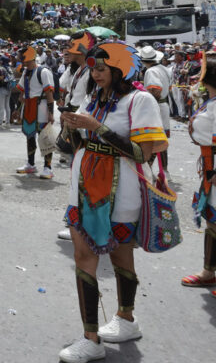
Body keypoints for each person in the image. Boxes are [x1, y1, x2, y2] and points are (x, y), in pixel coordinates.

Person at [58, 42, 167, 363]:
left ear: (120, 69)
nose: (96, 74)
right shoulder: (95, 98)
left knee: (122, 258)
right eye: (93, 69)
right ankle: (91, 337)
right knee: (82, 254)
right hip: (84, 185)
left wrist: (97, 127)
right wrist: (73, 127)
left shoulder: (140, 99)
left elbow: (143, 154)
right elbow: (78, 142)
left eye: (102, 69)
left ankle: (126, 319)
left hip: (123, 191)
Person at [181, 50, 216, 292]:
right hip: (209, 166)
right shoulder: (211, 102)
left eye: (201, 72)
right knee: (213, 222)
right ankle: (209, 271)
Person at [56, 32, 96, 241]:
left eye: (72, 48)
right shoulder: (80, 69)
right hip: (79, 125)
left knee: (82, 177)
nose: (67, 52)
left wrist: (72, 113)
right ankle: (79, 222)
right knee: (78, 174)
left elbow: (85, 101)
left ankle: (81, 224)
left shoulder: (90, 71)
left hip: (86, 128)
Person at [15, 46, 56, 179]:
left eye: (23, 58)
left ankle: (47, 167)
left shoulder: (43, 72)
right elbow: (22, 94)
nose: (22, 61)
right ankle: (31, 164)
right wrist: (17, 109)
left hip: (42, 107)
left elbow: (49, 93)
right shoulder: (25, 72)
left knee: (45, 138)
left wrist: (51, 113)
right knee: (30, 137)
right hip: (28, 108)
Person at [139, 45, 173, 171]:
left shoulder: (151, 71)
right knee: (161, 140)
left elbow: (155, 90)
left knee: (152, 140)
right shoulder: (164, 69)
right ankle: (164, 170)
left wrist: (149, 106)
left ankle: (148, 169)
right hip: (163, 106)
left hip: (156, 107)